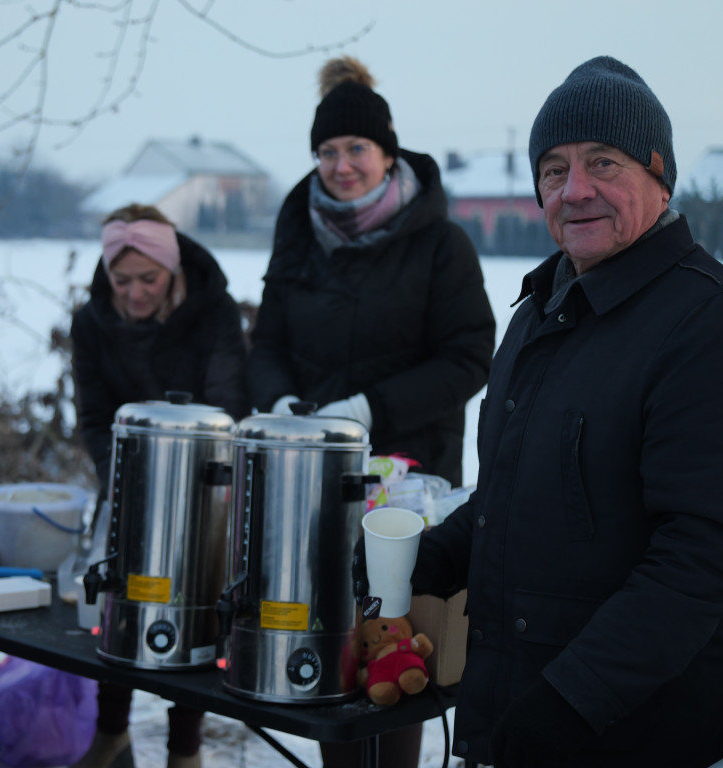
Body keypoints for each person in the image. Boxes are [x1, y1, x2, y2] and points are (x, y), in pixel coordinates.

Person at [409, 56, 723, 768]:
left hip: (635, 736)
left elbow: (703, 559)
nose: (575, 189)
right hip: (515, 718)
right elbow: (522, 490)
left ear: (659, 175)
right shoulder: (541, 310)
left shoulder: (709, 321)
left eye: (604, 163)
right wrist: (434, 556)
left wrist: (569, 703)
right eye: (553, 170)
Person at [247, 56, 495, 767]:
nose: (341, 165)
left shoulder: (439, 242)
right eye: (327, 151)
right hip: (312, 482)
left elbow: (469, 356)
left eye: (355, 148)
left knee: (396, 643)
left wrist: (369, 409)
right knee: (330, 640)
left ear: (388, 152)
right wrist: (282, 404)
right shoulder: (299, 237)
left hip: (409, 485)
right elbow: (266, 343)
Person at [69, 203, 248, 768]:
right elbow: (95, 415)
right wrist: (121, 476)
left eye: (149, 279)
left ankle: (184, 749)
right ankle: (111, 732)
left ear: (172, 269)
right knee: (122, 600)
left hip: (203, 483)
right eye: (122, 281)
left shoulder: (213, 311)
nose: (136, 293)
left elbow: (229, 407)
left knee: (191, 607)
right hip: (125, 477)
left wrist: (184, 479)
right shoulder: (91, 320)